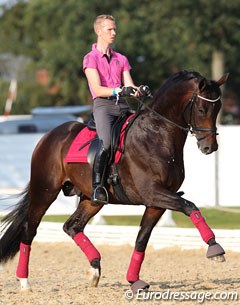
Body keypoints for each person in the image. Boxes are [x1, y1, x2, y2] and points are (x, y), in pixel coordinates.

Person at [83, 14, 140, 205]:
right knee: (106, 143)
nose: (114, 33)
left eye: (115, 29)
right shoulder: (90, 59)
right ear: (99, 31)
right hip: (104, 107)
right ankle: (97, 186)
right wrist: (118, 89)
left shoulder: (121, 58)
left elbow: (129, 85)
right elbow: (98, 89)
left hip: (122, 105)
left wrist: (138, 91)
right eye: (110, 29)